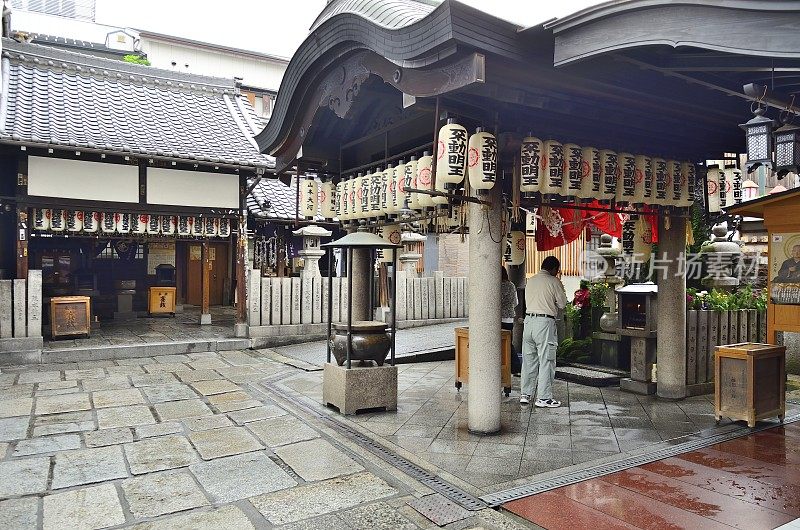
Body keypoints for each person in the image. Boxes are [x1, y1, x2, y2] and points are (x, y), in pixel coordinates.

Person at [521, 256, 567, 407]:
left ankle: (525, 394)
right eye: (557, 270)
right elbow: (562, 304)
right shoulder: (554, 281)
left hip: (528, 322)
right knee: (547, 359)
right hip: (544, 323)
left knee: (529, 360)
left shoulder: (531, 280)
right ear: (554, 269)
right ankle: (544, 398)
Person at [500, 266, 520, 374]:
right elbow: (516, 302)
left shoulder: (496, 285)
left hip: (499, 320)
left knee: (498, 344)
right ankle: (515, 367)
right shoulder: (511, 285)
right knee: (508, 343)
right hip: (509, 320)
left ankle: (504, 366)